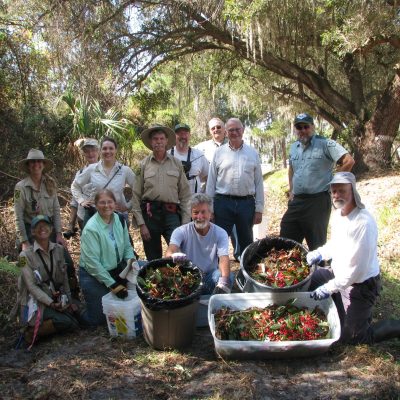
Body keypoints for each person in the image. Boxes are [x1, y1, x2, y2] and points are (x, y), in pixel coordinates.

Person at [307, 172, 400, 344]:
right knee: (305, 281)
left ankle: (394, 326)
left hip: (360, 284)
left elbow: (356, 271)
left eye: (342, 191)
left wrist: (329, 288)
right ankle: (337, 300)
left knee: (353, 336)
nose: (337, 195)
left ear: (353, 192)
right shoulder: (338, 214)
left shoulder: (363, 223)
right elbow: (335, 244)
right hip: (337, 273)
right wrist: (319, 253)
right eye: (334, 191)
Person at [280, 113, 355, 250]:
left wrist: (335, 184)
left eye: (306, 126)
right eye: (299, 127)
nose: (302, 130)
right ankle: (293, 269)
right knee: (285, 241)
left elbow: (348, 161)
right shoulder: (293, 147)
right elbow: (291, 169)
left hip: (318, 201)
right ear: (295, 129)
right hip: (297, 201)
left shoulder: (326, 144)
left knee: (317, 245)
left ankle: (320, 270)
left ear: (312, 127)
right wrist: (291, 190)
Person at [14, 149, 78, 298]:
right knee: (33, 267)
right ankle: (36, 302)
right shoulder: (20, 187)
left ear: (43, 164)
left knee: (65, 262)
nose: (36, 165)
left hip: (49, 230)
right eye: (33, 162)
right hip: (31, 231)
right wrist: (24, 241)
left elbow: (56, 210)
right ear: (28, 165)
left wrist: (59, 234)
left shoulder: (50, 184)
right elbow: (18, 216)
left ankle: (71, 298)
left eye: (39, 161)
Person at [14, 215, 79, 348]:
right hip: (35, 302)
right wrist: (50, 303)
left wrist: (70, 301)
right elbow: (31, 286)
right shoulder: (24, 256)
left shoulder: (59, 249)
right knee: (66, 322)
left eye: (45, 225)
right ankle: (30, 333)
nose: (42, 228)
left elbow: (64, 277)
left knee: (77, 321)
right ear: (32, 231)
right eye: (38, 226)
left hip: (55, 297)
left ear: (51, 229)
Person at [131, 125, 192, 261]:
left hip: (171, 214)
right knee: (153, 257)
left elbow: (185, 195)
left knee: (178, 252)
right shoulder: (143, 165)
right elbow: (135, 195)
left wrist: (185, 222)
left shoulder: (176, 163)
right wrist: (141, 224)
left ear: (166, 141)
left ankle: (179, 280)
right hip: (149, 215)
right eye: (155, 139)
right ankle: (156, 281)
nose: (158, 141)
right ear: (151, 142)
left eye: (161, 139)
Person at [206, 118, 264, 256]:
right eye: (231, 130)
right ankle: (217, 273)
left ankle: (245, 274)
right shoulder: (219, 153)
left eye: (237, 129)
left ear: (243, 130)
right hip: (223, 203)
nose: (234, 132)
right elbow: (211, 182)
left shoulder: (252, 153)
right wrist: (210, 209)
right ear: (226, 132)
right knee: (218, 240)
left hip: (246, 204)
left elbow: (259, 183)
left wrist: (259, 209)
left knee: (246, 242)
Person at [79, 189, 138, 326]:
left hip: (115, 269)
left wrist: (131, 262)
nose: (106, 206)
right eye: (102, 203)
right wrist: (113, 285)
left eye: (109, 202)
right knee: (98, 320)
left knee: (126, 300)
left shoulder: (119, 219)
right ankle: (77, 312)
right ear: (96, 205)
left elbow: (127, 247)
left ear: (115, 203)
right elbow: (92, 263)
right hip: (92, 274)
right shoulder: (91, 228)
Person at [166, 193, 234, 294]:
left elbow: (223, 258)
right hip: (188, 278)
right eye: (195, 212)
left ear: (210, 214)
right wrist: (174, 256)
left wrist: (224, 281)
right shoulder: (181, 231)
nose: (199, 216)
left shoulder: (220, 233)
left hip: (209, 278)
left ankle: (215, 302)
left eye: (203, 212)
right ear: (190, 214)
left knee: (227, 276)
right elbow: (169, 252)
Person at [196, 118, 241, 261]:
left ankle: (239, 257)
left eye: (219, 127)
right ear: (210, 131)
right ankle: (213, 261)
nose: (216, 130)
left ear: (225, 130)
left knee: (237, 231)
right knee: (213, 231)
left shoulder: (235, 146)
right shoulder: (200, 149)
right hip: (209, 196)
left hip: (230, 196)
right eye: (213, 128)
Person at [71, 136, 136, 228]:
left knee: (121, 241)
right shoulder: (92, 169)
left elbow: (138, 190)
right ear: (100, 151)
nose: (108, 151)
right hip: (95, 215)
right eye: (104, 148)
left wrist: (128, 206)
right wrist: (82, 201)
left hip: (117, 215)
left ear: (116, 150)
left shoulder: (124, 170)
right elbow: (75, 186)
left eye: (111, 148)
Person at [64, 138, 100, 238]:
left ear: (98, 151)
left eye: (93, 150)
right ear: (83, 154)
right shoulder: (80, 173)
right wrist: (71, 225)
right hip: (84, 217)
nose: (90, 154)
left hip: (103, 215)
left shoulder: (106, 169)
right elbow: (75, 200)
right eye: (87, 151)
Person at [168, 123, 209, 194]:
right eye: (179, 133)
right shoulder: (167, 154)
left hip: (194, 201)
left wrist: (204, 195)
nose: (183, 136)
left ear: (190, 135)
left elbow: (207, 177)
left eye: (185, 133)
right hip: (172, 201)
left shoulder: (199, 155)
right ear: (174, 136)